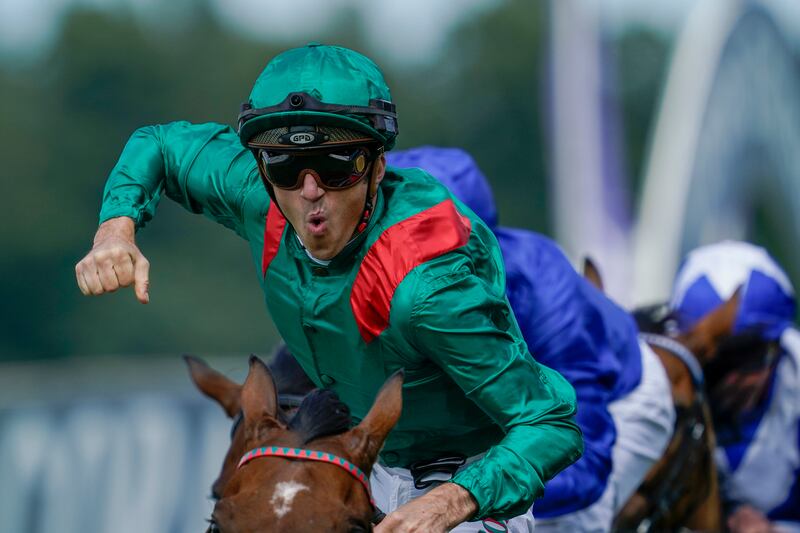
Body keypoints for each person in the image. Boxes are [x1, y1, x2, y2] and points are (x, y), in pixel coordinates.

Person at [74, 44, 583, 531]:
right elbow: (157, 144)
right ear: (263, 170)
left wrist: (451, 502)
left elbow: (551, 421)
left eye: (338, 165)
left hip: (469, 473)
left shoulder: (426, 289)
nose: (311, 191)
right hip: (367, 456)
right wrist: (116, 227)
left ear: (377, 167)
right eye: (287, 166)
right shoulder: (257, 195)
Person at [386, 146, 675, 532]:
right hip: (500, 407)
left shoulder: (550, 305)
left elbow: (581, 464)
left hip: (619, 400)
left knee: (554, 523)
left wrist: (466, 500)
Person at [670, 241, 800, 533]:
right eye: (715, 361)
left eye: (747, 357)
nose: (732, 379)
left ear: (777, 348)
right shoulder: (656, 396)